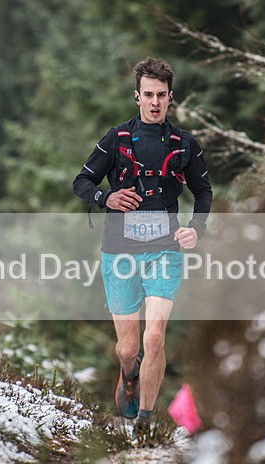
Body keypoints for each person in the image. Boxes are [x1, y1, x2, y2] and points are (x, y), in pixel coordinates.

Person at [72, 57, 213, 438]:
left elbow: (203, 192)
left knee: (154, 338)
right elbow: (81, 182)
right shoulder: (116, 139)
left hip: (164, 251)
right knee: (127, 347)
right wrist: (106, 198)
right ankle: (129, 375)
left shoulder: (185, 144)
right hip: (119, 253)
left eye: (161, 96)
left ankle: (145, 422)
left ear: (171, 99)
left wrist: (196, 229)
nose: (154, 102)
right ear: (137, 97)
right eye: (148, 95)